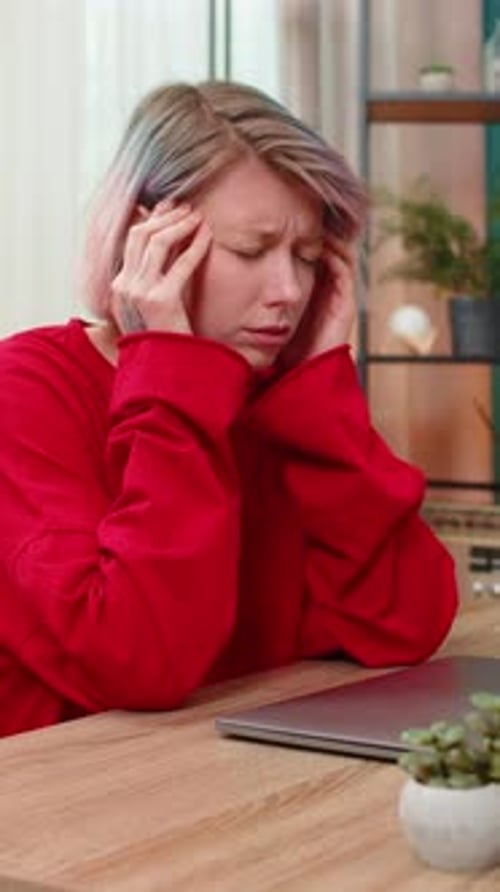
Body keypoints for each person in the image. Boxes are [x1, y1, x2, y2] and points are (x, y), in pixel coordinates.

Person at [0, 81, 457, 737]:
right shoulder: (25, 389)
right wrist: (172, 371)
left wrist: (322, 398)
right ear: (145, 240)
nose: (289, 291)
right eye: (251, 250)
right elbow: (138, 661)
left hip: (241, 792)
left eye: (306, 258)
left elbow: (406, 622)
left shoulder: (280, 399)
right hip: (80, 815)